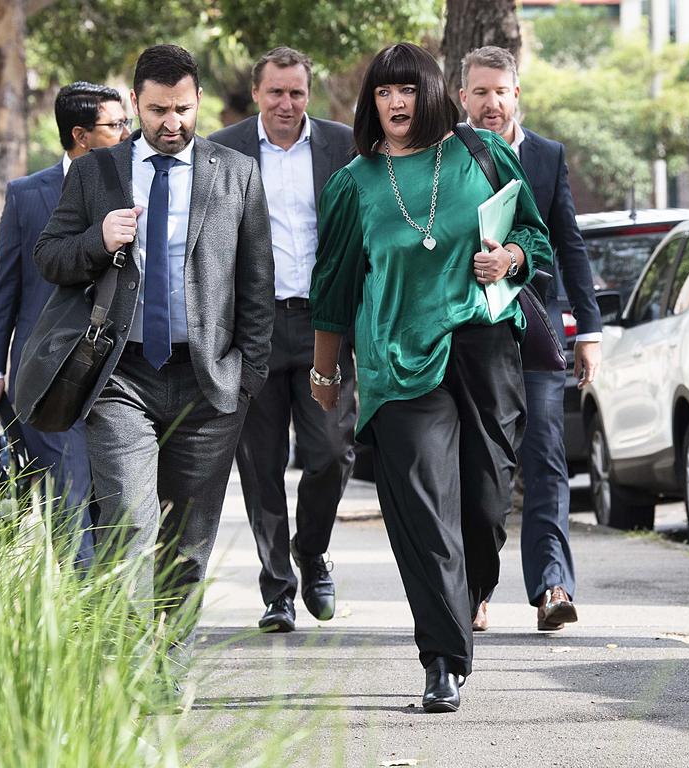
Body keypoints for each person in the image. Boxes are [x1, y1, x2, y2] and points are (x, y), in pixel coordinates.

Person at [309, 43, 551, 713]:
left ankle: (467, 596)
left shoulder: (482, 155)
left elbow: (535, 235)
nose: (395, 101)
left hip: (483, 348)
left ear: (431, 93)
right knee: (422, 511)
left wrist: (510, 258)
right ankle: (442, 659)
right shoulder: (352, 184)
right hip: (396, 361)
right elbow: (332, 289)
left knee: (480, 507)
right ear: (371, 101)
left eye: (407, 88)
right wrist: (326, 374)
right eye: (383, 90)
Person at [33, 45, 274, 639]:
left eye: (184, 110)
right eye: (159, 109)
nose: (172, 123)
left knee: (188, 546)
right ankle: (135, 668)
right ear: (136, 102)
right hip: (122, 376)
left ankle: (172, 664)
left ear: (199, 104)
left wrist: (246, 379)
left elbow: (257, 282)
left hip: (208, 381)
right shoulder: (97, 172)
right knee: (131, 528)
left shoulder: (236, 173)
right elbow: (49, 257)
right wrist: (98, 238)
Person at [209, 47, 356, 633]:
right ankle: (277, 590)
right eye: (276, 93)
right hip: (255, 327)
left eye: (296, 93)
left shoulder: (342, 147)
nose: (287, 104)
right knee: (260, 463)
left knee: (330, 453)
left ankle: (312, 550)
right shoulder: (224, 150)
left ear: (308, 94)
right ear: (257, 94)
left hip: (324, 325)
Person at [460, 46, 602, 632]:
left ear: (516, 95)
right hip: (471, 334)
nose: (491, 103)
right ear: (462, 97)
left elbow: (569, 245)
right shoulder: (448, 155)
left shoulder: (546, 155)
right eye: (480, 92)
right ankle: (474, 587)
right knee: (480, 464)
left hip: (539, 332)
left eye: (501, 91)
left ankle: (552, 587)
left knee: (545, 459)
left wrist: (587, 331)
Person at [0, 82, 130, 565]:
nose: (128, 132)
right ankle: (86, 614)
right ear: (81, 135)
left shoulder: (134, 187)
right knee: (67, 493)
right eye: (116, 124)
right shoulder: (27, 195)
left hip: (114, 371)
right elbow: (6, 285)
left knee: (108, 497)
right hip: (46, 372)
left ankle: (108, 602)